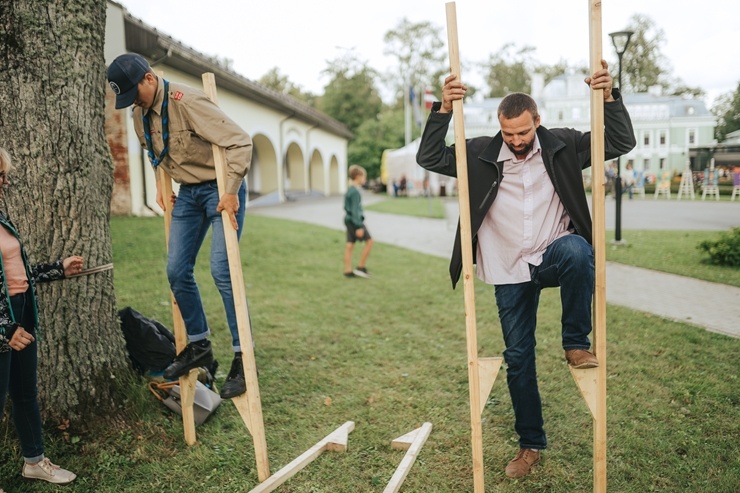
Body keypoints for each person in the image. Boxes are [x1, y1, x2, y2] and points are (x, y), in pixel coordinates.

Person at [416, 60, 636, 479]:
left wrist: (609, 97)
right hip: (506, 268)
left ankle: (575, 342)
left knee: (577, 250)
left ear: (538, 121)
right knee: (518, 359)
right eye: (508, 132)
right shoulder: (480, 152)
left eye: (523, 131)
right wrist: (442, 108)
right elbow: (429, 156)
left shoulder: (563, 145)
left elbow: (622, 141)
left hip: (552, 253)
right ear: (500, 125)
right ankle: (530, 444)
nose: (516, 140)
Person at [106, 53, 253, 399]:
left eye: (135, 93)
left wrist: (231, 192)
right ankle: (199, 345)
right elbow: (151, 151)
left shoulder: (187, 102)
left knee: (222, 271)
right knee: (176, 270)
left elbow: (240, 141)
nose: (134, 104)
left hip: (220, 188)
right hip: (188, 195)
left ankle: (242, 358)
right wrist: (161, 187)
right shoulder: (138, 114)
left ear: (148, 79)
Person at [0, 147, 83, 486]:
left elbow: (17, 273)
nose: (3, 181)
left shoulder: (1, 217)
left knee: (24, 394)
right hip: (5, 324)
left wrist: (57, 269)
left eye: (3, 174)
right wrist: (4, 329)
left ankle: (34, 461)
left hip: (23, 313)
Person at [343, 165, 374, 279]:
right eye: (363, 177)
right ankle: (360, 267)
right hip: (355, 222)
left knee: (349, 245)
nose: (364, 179)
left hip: (348, 220)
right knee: (370, 241)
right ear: (358, 176)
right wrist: (359, 226)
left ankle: (347, 270)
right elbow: (355, 210)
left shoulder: (349, 189)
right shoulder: (355, 192)